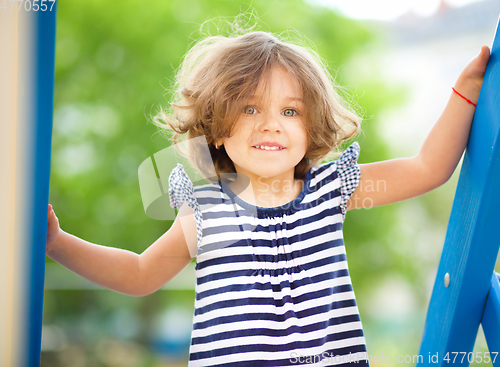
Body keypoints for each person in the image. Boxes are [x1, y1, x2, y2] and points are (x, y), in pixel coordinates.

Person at [46, 29, 490, 366]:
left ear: (311, 126)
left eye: (290, 111)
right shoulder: (206, 210)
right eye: (250, 108)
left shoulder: (331, 188)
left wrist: (465, 94)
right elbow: (140, 274)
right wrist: (58, 243)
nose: (272, 124)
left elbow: (427, 168)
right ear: (217, 126)